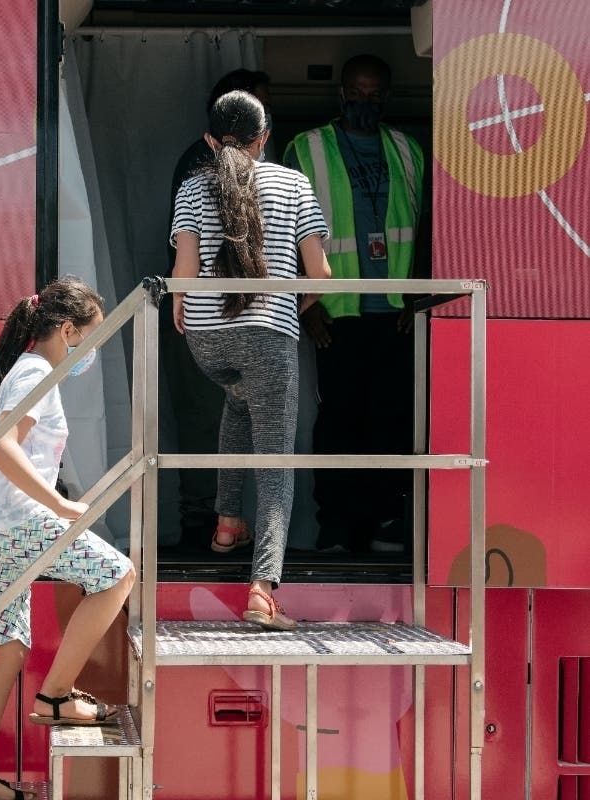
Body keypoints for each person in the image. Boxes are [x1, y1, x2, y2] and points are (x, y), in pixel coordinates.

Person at [0, 276, 136, 800]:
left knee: (7, 652)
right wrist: (60, 504)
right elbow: (3, 447)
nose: (88, 352)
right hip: (15, 522)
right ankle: (55, 696)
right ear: (68, 330)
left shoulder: (14, 368)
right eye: (89, 340)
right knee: (118, 575)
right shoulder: (36, 371)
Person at [171, 90, 331, 630]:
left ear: (211, 141)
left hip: (205, 340)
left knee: (239, 401)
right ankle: (262, 589)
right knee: (276, 461)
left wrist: (182, 305)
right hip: (267, 337)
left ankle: (226, 520)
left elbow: (184, 276)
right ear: (267, 137)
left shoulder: (194, 186)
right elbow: (321, 275)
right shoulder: (294, 184)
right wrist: (290, 303)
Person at [283, 54, 427, 554]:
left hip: (397, 313)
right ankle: (336, 525)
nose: (364, 102)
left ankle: (382, 520)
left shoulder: (409, 150)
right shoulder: (307, 148)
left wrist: (420, 299)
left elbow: (427, 233)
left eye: (374, 94)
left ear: (386, 96)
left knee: (390, 416)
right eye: (356, 92)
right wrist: (309, 303)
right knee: (340, 417)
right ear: (340, 93)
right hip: (335, 312)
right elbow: (287, 235)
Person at [162, 69, 273, 552]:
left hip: (202, 316)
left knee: (226, 418)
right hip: (238, 315)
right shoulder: (209, 170)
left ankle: (221, 525)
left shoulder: (201, 168)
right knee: (231, 423)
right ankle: (213, 527)